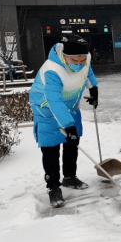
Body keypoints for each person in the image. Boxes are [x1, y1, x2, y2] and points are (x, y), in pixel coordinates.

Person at [29, 34, 100, 207]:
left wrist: (94, 88)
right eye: (75, 60)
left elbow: (87, 71)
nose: (79, 63)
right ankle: (53, 187)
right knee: (51, 149)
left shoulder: (84, 59)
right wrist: (68, 126)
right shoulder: (52, 70)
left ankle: (69, 177)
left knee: (72, 143)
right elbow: (54, 101)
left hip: (69, 107)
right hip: (46, 109)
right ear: (64, 56)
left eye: (82, 59)